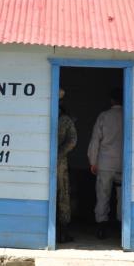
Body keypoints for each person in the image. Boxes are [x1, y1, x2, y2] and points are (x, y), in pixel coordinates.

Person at [88, 88, 123, 238]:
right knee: (122, 195)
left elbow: (95, 140)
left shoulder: (104, 116)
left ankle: (101, 226)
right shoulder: (129, 116)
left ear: (111, 100)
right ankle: (122, 226)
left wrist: (92, 161)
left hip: (105, 163)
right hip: (123, 163)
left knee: (103, 194)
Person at [56, 89, 77, 243]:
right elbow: (72, 141)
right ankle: (63, 231)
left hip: (49, 161)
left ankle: (59, 231)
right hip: (60, 162)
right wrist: (60, 153)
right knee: (62, 194)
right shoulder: (65, 120)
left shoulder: (43, 114)